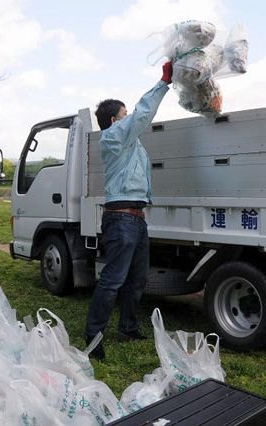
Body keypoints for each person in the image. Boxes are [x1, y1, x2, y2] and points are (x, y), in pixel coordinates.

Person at [84, 61, 173, 360]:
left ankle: (127, 327)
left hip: (136, 219)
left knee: (137, 280)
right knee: (113, 281)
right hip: (121, 219)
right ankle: (93, 337)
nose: (130, 120)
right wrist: (163, 82)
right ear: (113, 121)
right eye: (124, 116)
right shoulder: (112, 138)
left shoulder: (130, 145)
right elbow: (143, 113)